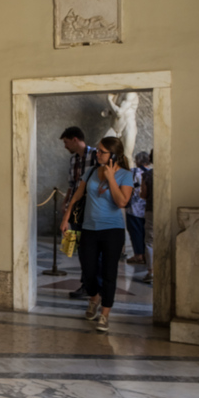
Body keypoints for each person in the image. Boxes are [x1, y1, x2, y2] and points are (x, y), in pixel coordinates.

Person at [61, 137, 133, 332]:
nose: (98, 154)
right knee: (89, 270)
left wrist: (111, 178)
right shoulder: (91, 171)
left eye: (102, 152)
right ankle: (94, 298)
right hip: (89, 229)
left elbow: (121, 202)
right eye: (98, 151)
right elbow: (77, 195)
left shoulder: (126, 175)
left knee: (110, 273)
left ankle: (105, 314)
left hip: (112, 230)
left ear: (114, 155)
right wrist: (66, 216)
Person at [60, 126, 98, 299]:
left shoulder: (97, 155)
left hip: (93, 208)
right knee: (82, 249)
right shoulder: (73, 160)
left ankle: (95, 286)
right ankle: (86, 284)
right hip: (77, 209)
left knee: (93, 249)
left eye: (66, 142)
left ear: (75, 140)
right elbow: (71, 184)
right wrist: (66, 203)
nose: (65, 146)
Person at [125, 151, 151, 265]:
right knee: (146, 232)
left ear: (137, 161)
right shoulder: (151, 172)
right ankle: (146, 255)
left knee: (135, 231)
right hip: (147, 207)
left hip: (133, 207)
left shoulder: (133, 172)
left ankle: (138, 255)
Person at [140, 149, 154, 283]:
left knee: (150, 241)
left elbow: (143, 194)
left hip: (151, 209)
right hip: (166, 210)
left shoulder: (147, 175)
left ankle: (151, 271)